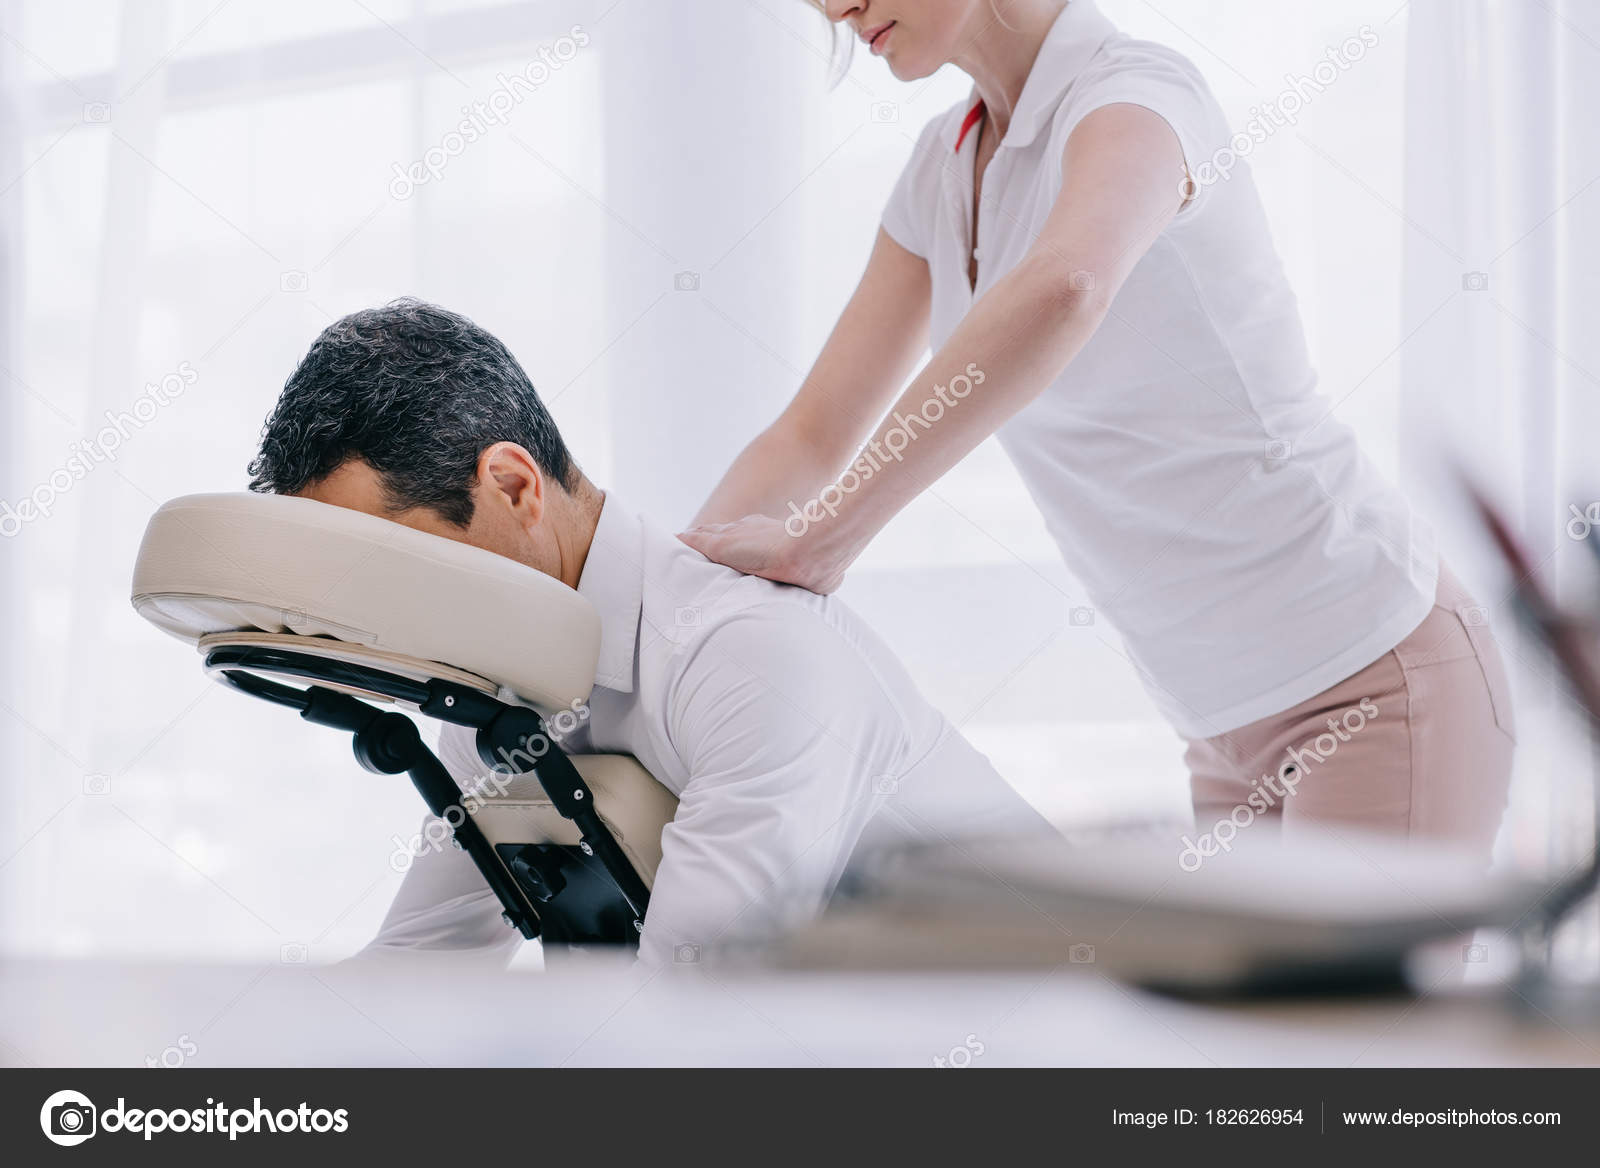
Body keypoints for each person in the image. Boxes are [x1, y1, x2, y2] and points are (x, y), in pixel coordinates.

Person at [683, 0, 1514, 853]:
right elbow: (811, 435)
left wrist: (825, 539)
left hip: (1372, 679)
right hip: (1217, 727)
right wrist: (672, 598)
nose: (835, 7)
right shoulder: (941, 170)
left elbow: (1067, 284)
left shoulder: (1139, 96)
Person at [246, 298, 1057, 965]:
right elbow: (420, 965)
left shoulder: (748, 658)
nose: (376, 623)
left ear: (513, 486)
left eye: (388, 568)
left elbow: (686, 1024)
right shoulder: (492, 697)